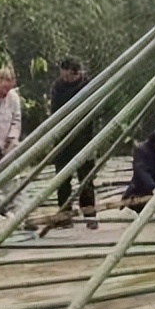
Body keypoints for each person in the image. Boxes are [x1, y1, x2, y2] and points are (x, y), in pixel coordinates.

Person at [50, 58, 97, 230]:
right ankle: (65, 216)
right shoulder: (57, 87)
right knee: (62, 179)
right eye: (63, 74)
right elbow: (55, 111)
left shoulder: (88, 86)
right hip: (62, 139)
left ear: (76, 72)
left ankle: (90, 215)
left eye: (68, 75)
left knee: (86, 179)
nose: (65, 78)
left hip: (84, 138)